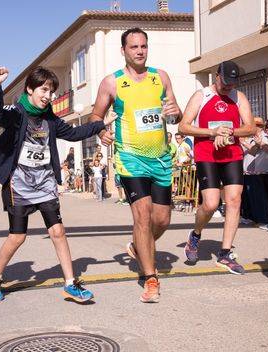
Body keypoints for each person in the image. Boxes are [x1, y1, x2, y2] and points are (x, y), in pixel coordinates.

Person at [0, 66, 116, 303]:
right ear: (30, 89)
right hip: (19, 184)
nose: (48, 95)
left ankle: (70, 284)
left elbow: (75, 134)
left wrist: (99, 124)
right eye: (44, 90)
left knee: (58, 231)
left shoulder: (50, 119)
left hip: (44, 182)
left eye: (51, 91)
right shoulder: (16, 113)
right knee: (17, 236)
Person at [90, 27, 182, 303]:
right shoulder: (112, 83)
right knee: (142, 216)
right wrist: (101, 131)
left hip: (161, 158)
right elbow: (96, 115)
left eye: (143, 46)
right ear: (123, 51)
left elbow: (174, 113)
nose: (140, 51)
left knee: (162, 220)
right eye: (134, 47)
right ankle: (150, 278)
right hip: (130, 159)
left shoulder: (160, 77)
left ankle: (137, 247)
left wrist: (175, 114)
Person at [178, 60, 256, 274]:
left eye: (232, 83)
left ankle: (225, 252)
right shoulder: (201, 95)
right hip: (207, 154)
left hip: (232, 154)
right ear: (216, 75)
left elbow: (249, 127)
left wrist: (229, 132)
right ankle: (195, 235)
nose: (228, 86)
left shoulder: (238, 97)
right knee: (211, 204)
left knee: (234, 201)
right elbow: (183, 126)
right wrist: (213, 132)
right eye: (225, 82)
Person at [239, 117, 268, 225]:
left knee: (258, 196)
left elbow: (255, 151)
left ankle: (262, 219)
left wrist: (243, 143)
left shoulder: (264, 137)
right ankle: (250, 217)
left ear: (259, 126)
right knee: (248, 196)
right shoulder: (251, 138)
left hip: (257, 172)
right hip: (247, 172)